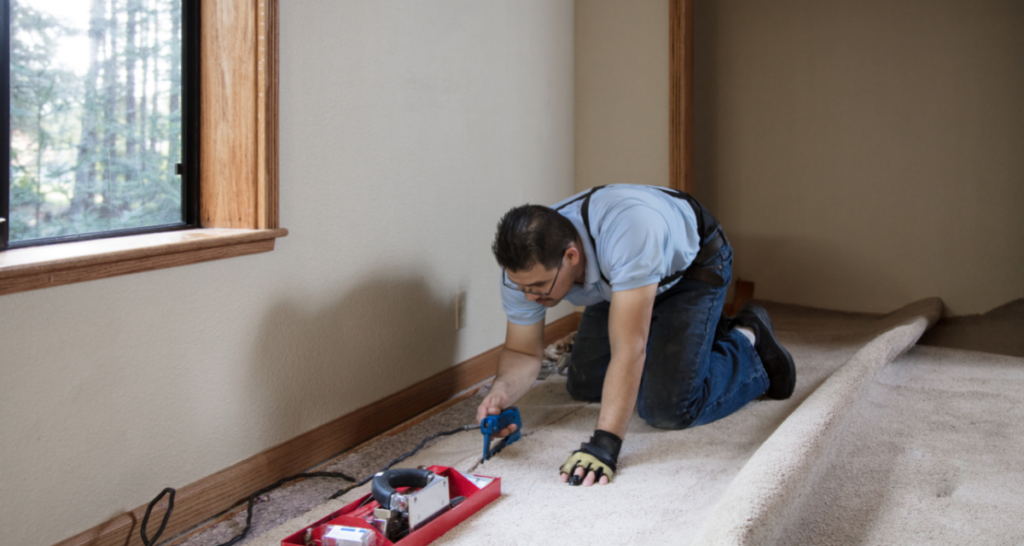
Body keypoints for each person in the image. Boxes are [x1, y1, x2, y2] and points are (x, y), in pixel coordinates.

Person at [477, 184, 796, 487]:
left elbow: (629, 348)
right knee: (585, 383)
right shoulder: (524, 269)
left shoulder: (630, 234)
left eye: (538, 287)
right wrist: (501, 391)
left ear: (571, 257)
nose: (530, 297)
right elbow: (523, 352)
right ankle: (694, 337)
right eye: (522, 288)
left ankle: (747, 335)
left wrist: (604, 444)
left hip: (693, 269)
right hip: (621, 283)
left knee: (667, 408)